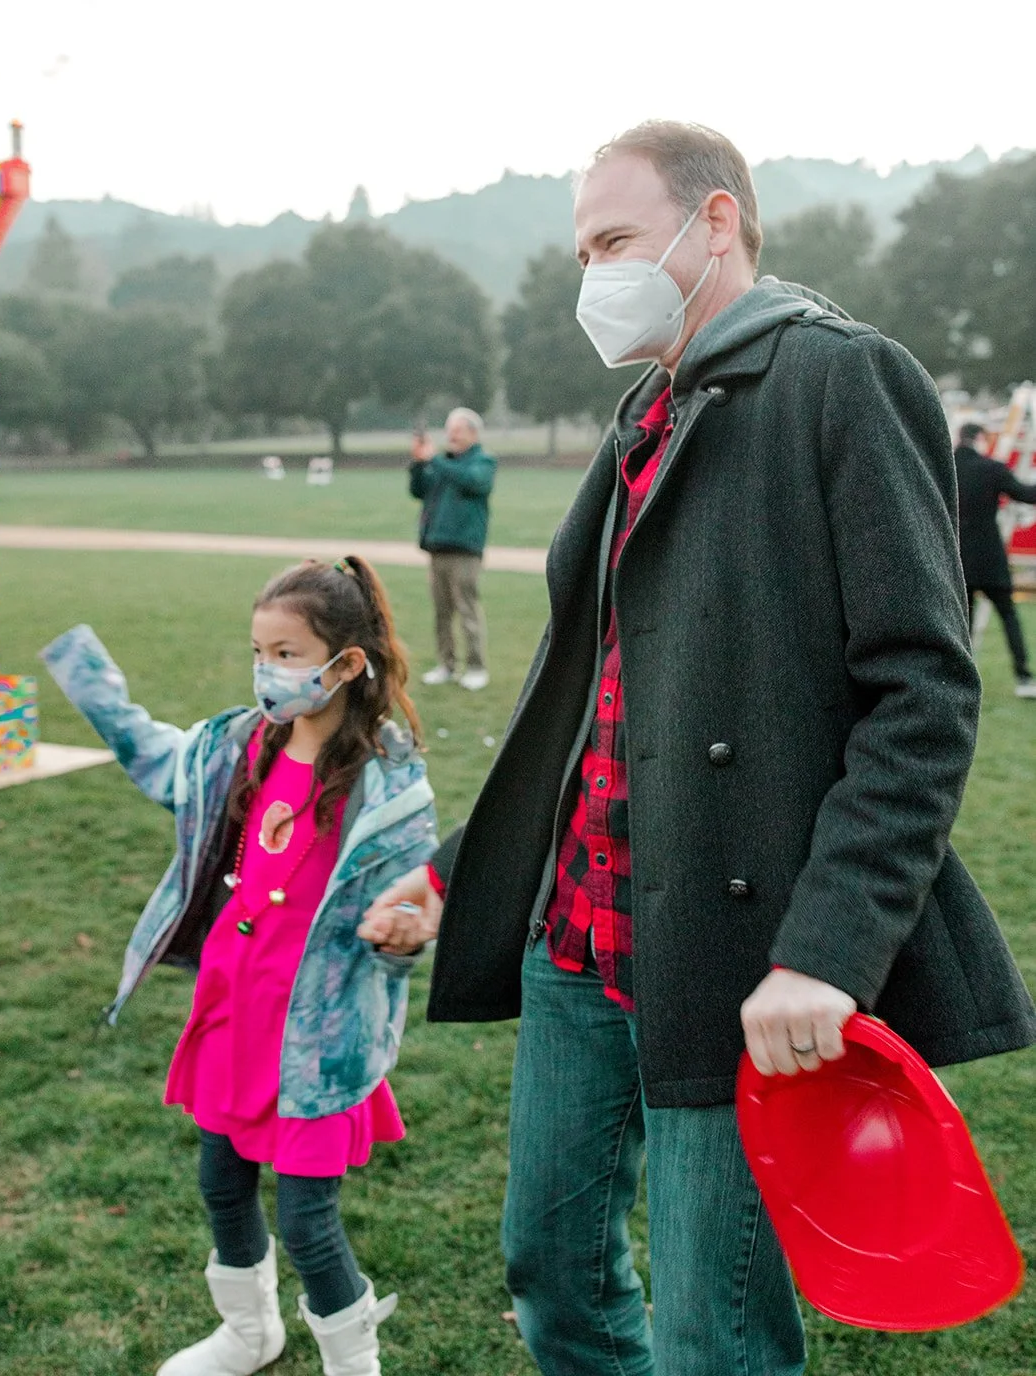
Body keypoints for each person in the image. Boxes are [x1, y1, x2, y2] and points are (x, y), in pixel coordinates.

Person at [360, 121, 1036, 1376]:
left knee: (711, 1335)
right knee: (551, 1276)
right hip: (577, 937)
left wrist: (826, 951)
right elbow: (599, 700)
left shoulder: (841, 377)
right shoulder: (644, 412)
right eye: (580, 252)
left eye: (613, 241)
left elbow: (922, 695)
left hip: (733, 955)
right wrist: (457, 868)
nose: (591, 279)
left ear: (712, 222)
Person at [42, 557, 437, 1376]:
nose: (267, 670)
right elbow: (159, 758)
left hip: (315, 1033)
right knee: (221, 1183)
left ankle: (352, 1364)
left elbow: (409, 907)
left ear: (345, 664)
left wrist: (400, 935)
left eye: (288, 653)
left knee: (306, 1220)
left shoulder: (388, 786)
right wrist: (90, 682)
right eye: (260, 650)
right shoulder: (237, 748)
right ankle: (250, 1333)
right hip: (234, 1007)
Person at [409, 406, 497, 690]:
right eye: (449, 431)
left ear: (473, 433)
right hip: (437, 547)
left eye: (457, 431)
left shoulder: (483, 462)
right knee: (441, 611)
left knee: (467, 609)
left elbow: (473, 482)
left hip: (465, 550)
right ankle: (446, 665)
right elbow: (419, 490)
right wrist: (420, 464)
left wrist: (434, 460)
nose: (451, 436)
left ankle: (476, 667)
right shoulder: (443, 465)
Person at [954, 420, 1036, 698]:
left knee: (962, 623)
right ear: (979, 439)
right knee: (1009, 616)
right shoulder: (992, 469)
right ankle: (1024, 677)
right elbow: (1026, 494)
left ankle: (961, 680)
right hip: (990, 557)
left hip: (958, 558)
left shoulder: (945, 467)